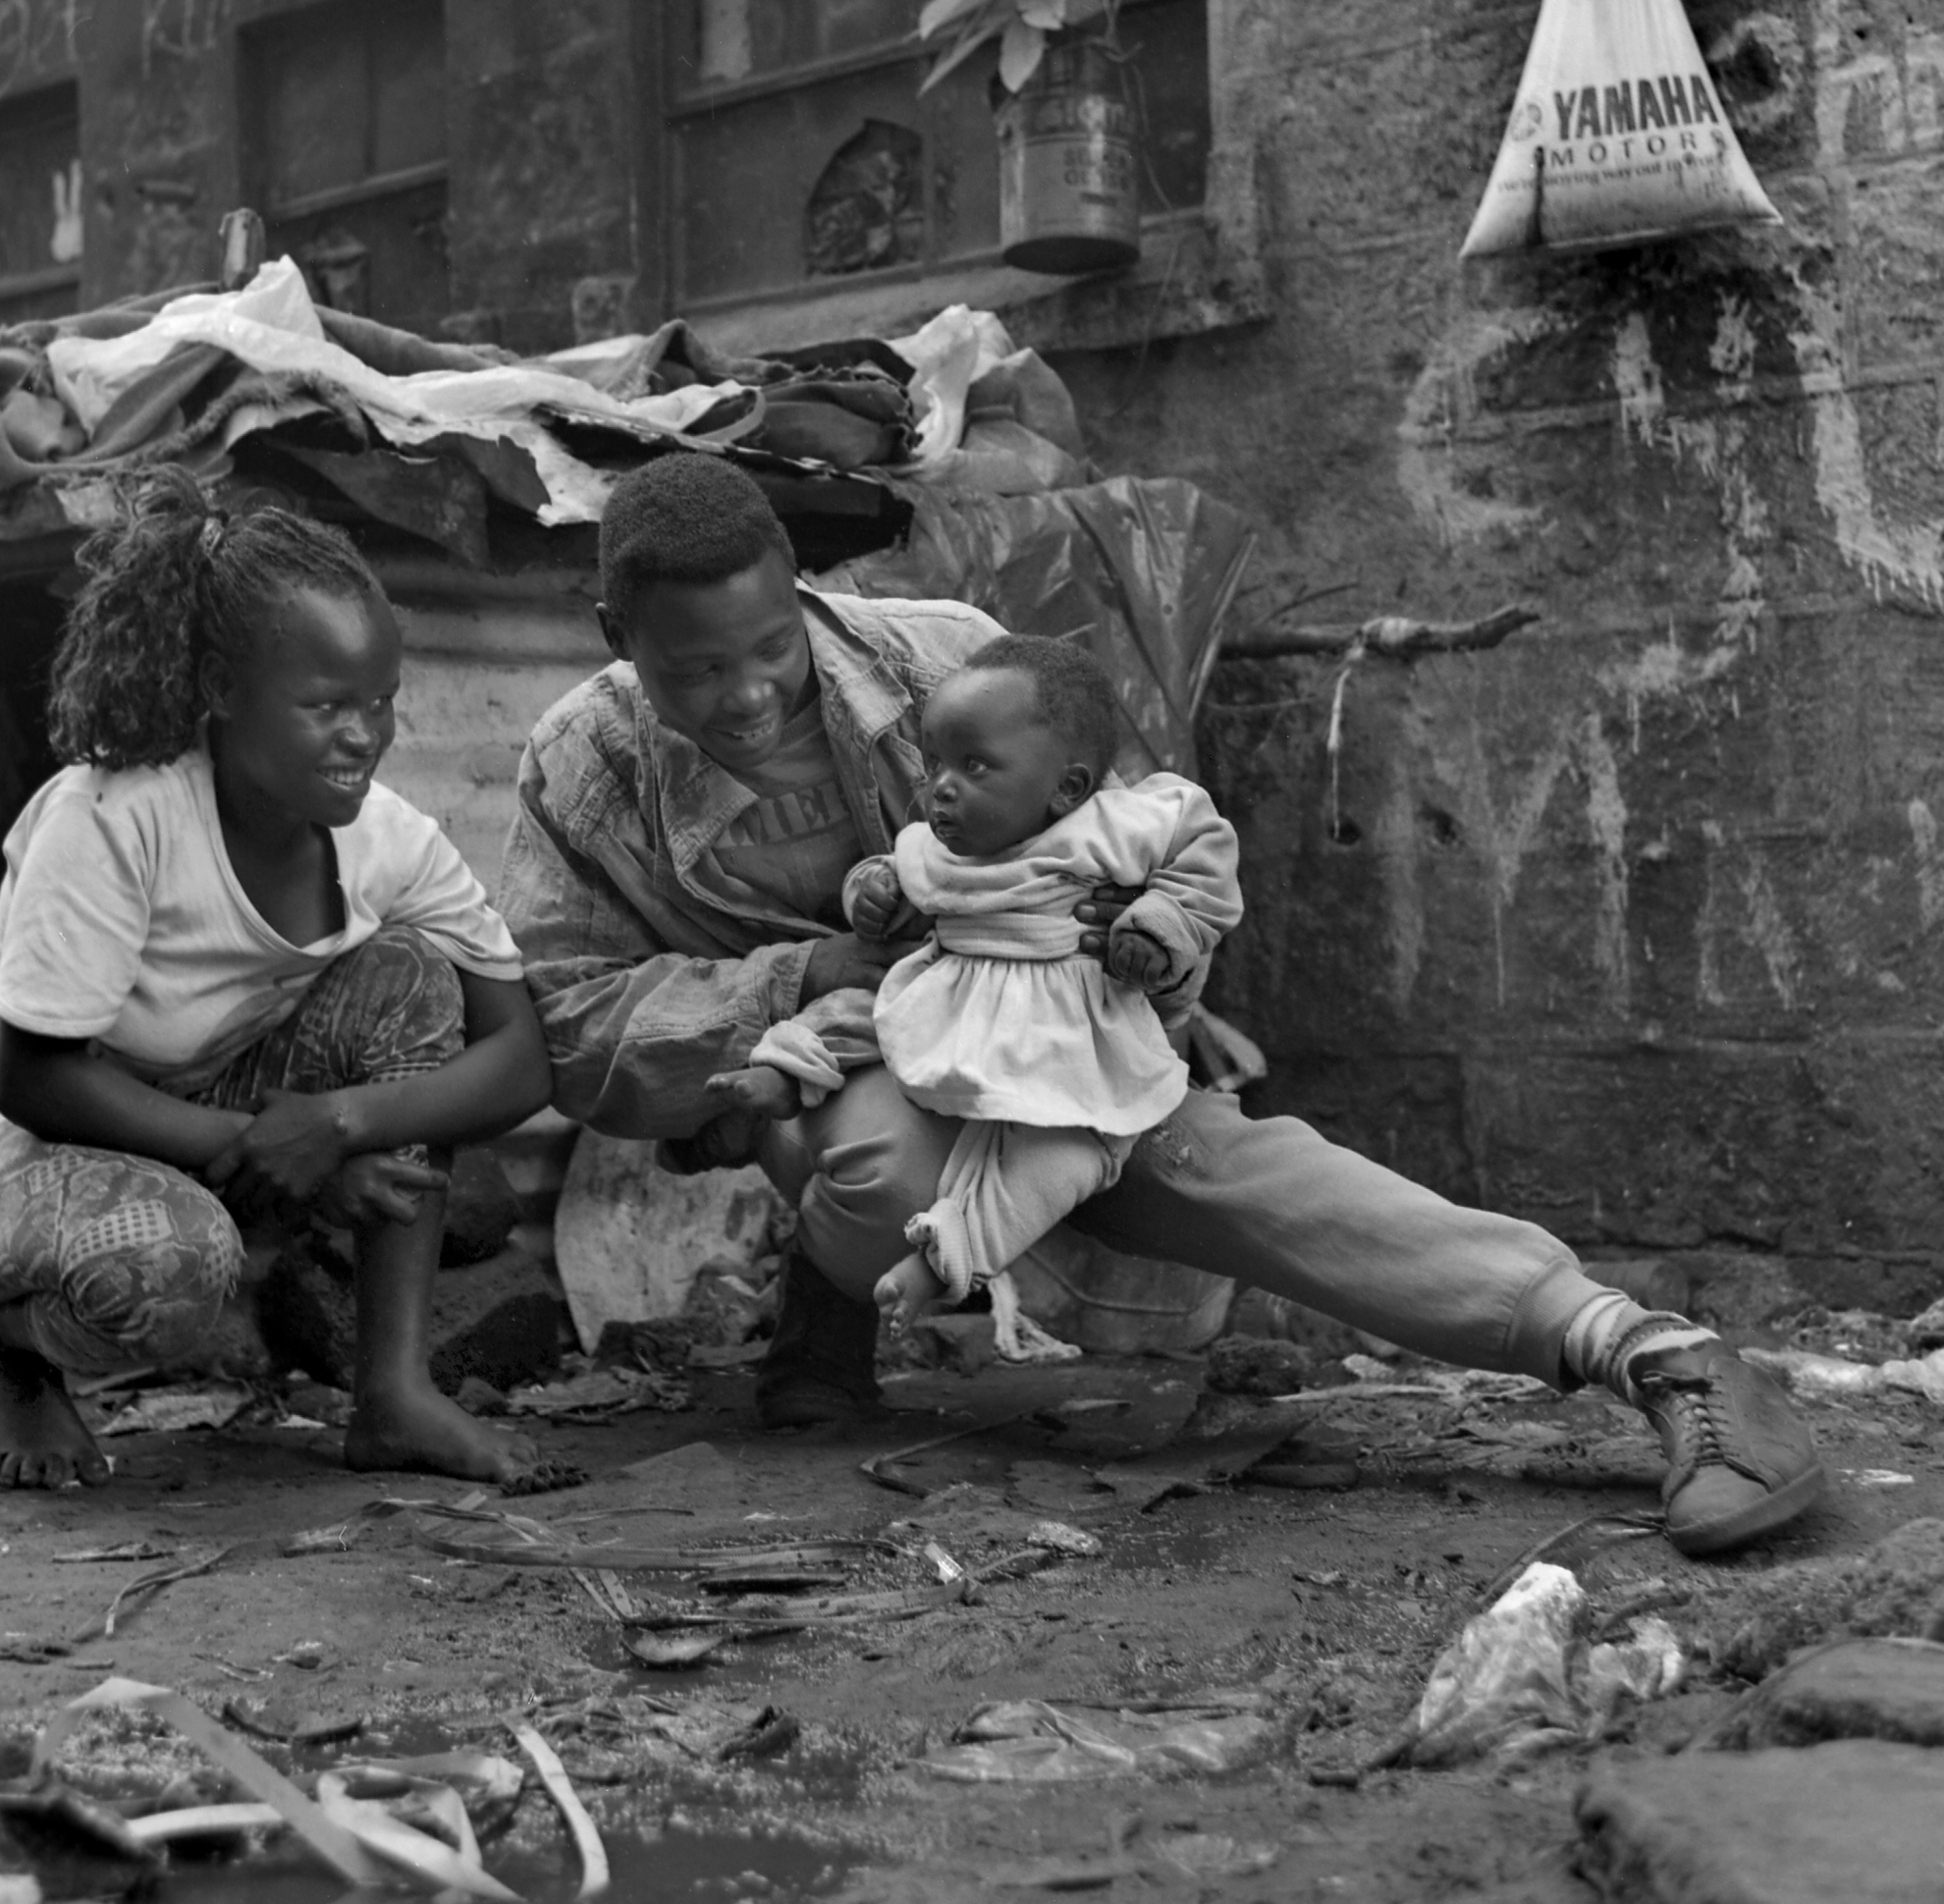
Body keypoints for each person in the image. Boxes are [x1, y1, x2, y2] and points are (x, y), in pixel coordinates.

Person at [497, 452, 1824, 1557]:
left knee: (1228, 1173)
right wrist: (801, 982)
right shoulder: (580, 765)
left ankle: (1667, 1362)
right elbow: (563, 1023)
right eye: (693, 675)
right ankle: (832, 1302)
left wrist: (1162, 967)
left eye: (770, 651)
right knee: (879, 1170)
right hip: (831, 1074)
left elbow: (1146, 845)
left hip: (1058, 1039)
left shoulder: (955, 665)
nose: (742, 697)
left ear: (803, 588)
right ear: (618, 643)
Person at [0, 471, 560, 1492]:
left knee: (409, 980)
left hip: (196, 1120)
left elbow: (517, 1059)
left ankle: (393, 1393)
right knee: (175, 1266)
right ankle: (13, 1345)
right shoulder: (114, 815)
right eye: (327, 704)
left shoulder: (389, 841)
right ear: (220, 692)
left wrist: (334, 1122)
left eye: (382, 701)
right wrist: (276, 1150)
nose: (366, 735)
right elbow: (37, 1078)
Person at [703, 633, 1241, 1332]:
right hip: (955, 989)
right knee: (859, 1008)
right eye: (933, 764)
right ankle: (782, 1072)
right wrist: (871, 891)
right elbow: (899, 873)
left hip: (1070, 1033)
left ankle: (946, 1258)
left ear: (1068, 787)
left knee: (1065, 1166)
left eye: (974, 765)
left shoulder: (1121, 826)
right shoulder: (943, 838)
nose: (940, 787)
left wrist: (1158, 926)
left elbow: (1205, 862)